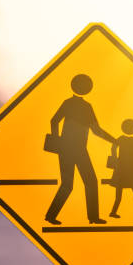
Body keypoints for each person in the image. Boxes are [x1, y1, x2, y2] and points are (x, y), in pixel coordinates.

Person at [45, 74, 114, 225]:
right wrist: (58, 141)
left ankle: (92, 217)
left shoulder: (78, 105)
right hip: (71, 149)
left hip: (73, 149)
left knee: (80, 182)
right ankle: (53, 216)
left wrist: (58, 141)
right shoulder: (79, 105)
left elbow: (95, 130)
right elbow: (96, 130)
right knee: (76, 183)